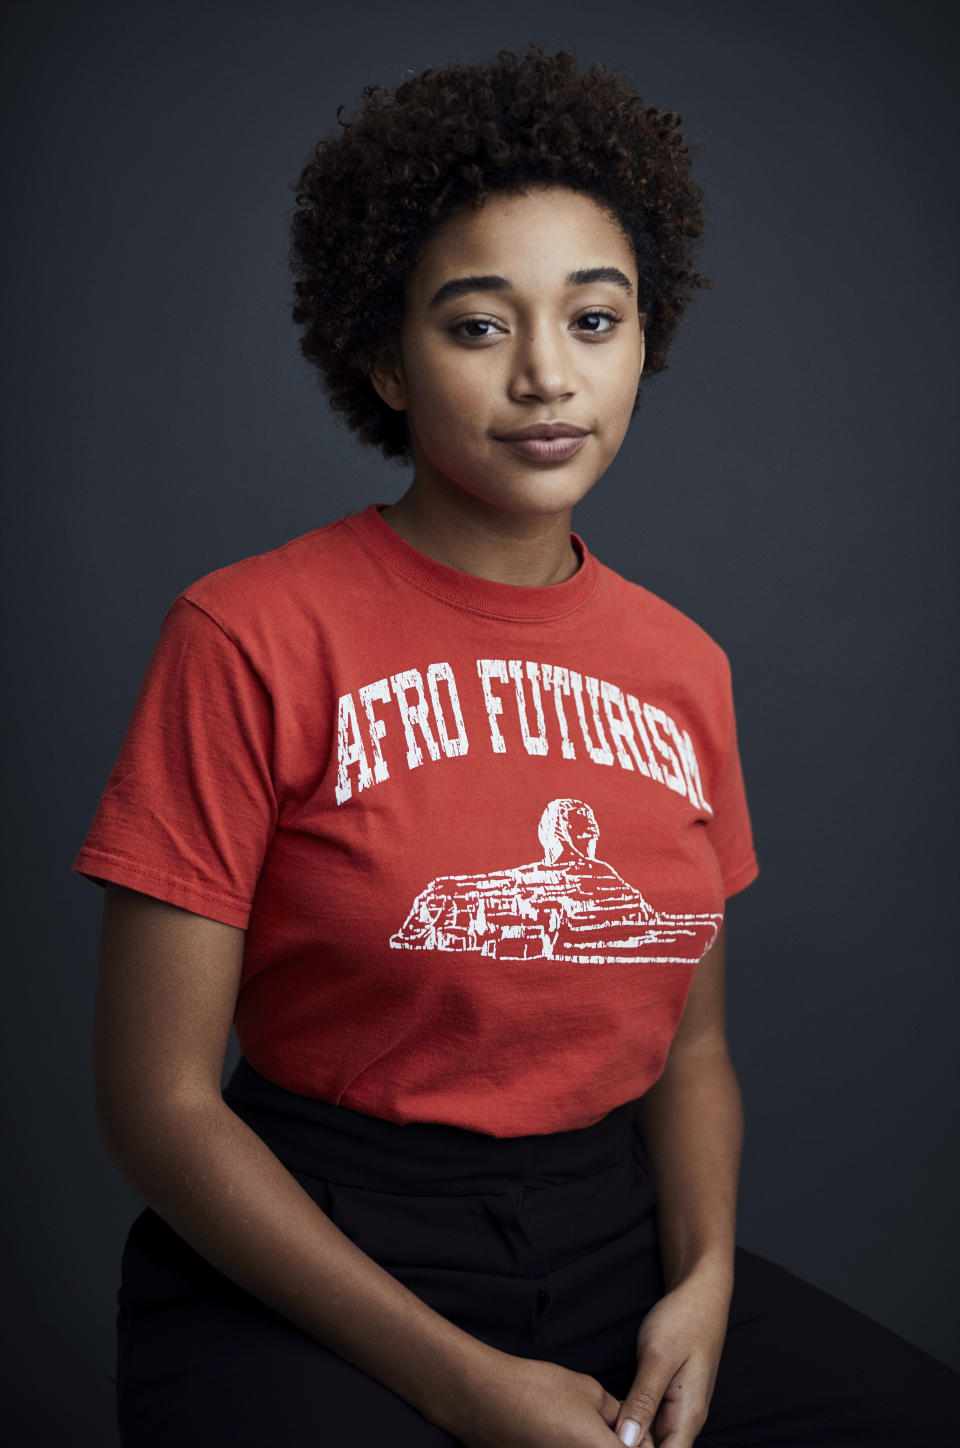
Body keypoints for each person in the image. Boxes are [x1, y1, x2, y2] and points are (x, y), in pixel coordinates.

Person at [72, 43, 958, 1448]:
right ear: (385, 356)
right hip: (310, 1255)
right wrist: (461, 1384)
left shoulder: (686, 669)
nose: (549, 376)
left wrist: (708, 1282)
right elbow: (157, 1106)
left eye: (594, 321)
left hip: (617, 1250)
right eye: (480, 326)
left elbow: (695, 1052)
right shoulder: (245, 633)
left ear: (643, 340)